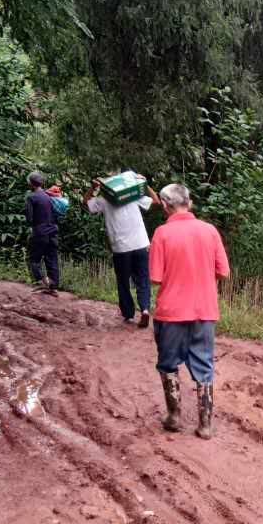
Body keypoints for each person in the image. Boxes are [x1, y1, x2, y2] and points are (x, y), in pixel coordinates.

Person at [148, 182, 230, 440]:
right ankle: (205, 426)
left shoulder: (162, 233)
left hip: (171, 312)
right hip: (204, 310)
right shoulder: (210, 231)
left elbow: (155, 278)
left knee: (168, 364)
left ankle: (174, 416)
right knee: (204, 366)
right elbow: (223, 272)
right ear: (189, 202)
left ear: (165, 205)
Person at [82, 176, 154, 328]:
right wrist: (144, 184)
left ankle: (128, 314)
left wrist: (93, 188)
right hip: (140, 244)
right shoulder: (132, 196)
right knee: (142, 279)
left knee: (123, 281)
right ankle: (145, 309)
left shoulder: (103, 201)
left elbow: (86, 202)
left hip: (121, 248)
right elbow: (156, 201)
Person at [25, 171, 59, 295]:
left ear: (31, 183)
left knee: (33, 260)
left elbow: (29, 218)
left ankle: (44, 282)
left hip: (40, 233)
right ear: (41, 183)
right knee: (52, 260)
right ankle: (53, 288)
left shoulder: (31, 197)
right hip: (53, 232)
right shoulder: (49, 196)